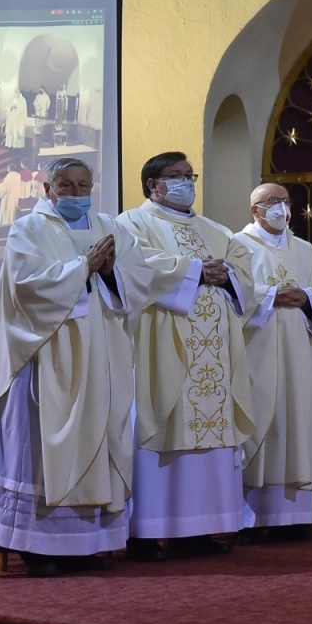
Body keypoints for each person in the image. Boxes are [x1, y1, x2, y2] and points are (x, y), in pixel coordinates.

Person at [0, 157, 162, 576]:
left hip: (100, 354)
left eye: (83, 185)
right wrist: (82, 268)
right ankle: (37, 546)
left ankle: (89, 542)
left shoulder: (110, 226)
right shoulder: (28, 229)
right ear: (48, 190)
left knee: (98, 436)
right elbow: (26, 287)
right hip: (45, 357)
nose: (75, 193)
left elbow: (140, 278)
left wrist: (110, 272)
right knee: (41, 451)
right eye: (66, 186)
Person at [117, 152, 256, 559]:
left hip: (215, 351)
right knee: (163, 425)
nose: (185, 182)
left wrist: (227, 274)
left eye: (188, 175)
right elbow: (134, 267)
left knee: (211, 435)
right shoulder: (131, 224)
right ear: (152, 184)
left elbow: (244, 273)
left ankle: (202, 527)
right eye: (174, 176)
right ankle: (147, 531)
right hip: (163, 346)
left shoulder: (216, 230)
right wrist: (194, 270)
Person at [236, 183, 312, 540]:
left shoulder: (305, 250)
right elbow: (236, 293)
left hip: (298, 356)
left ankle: (296, 517)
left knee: (297, 421)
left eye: (284, 201)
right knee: (262, 422)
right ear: (254, 210)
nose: (279, 208)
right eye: (270, 202)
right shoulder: (238, 246)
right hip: (257, 353)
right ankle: (255, 519)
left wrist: (307, 298)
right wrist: (270, 296)